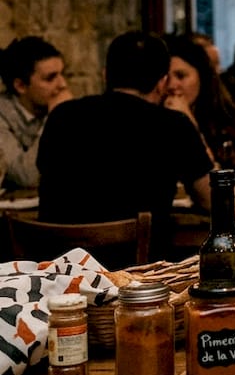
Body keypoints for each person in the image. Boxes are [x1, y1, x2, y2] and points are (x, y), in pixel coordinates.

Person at [38, 31, 213, 238]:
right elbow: (211, 199)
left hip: (58, 262)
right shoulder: (174, 124)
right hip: (139, 265)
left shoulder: (62, 115)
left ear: (105, 75)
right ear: (162, 83)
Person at [163, 33, 235, 169]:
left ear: (201, 78)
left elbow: (216, 174)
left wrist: (187, 121)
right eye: (165, 78)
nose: (172, 85)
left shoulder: (222, 118)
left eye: (181, 76)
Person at [0, 36, 72, 188]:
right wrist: (55, 120)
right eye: (50, 78)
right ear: (20, 86)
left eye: (62, 74)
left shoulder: (49, 106)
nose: (63, 85)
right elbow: (25, 176)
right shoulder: (2, 116)